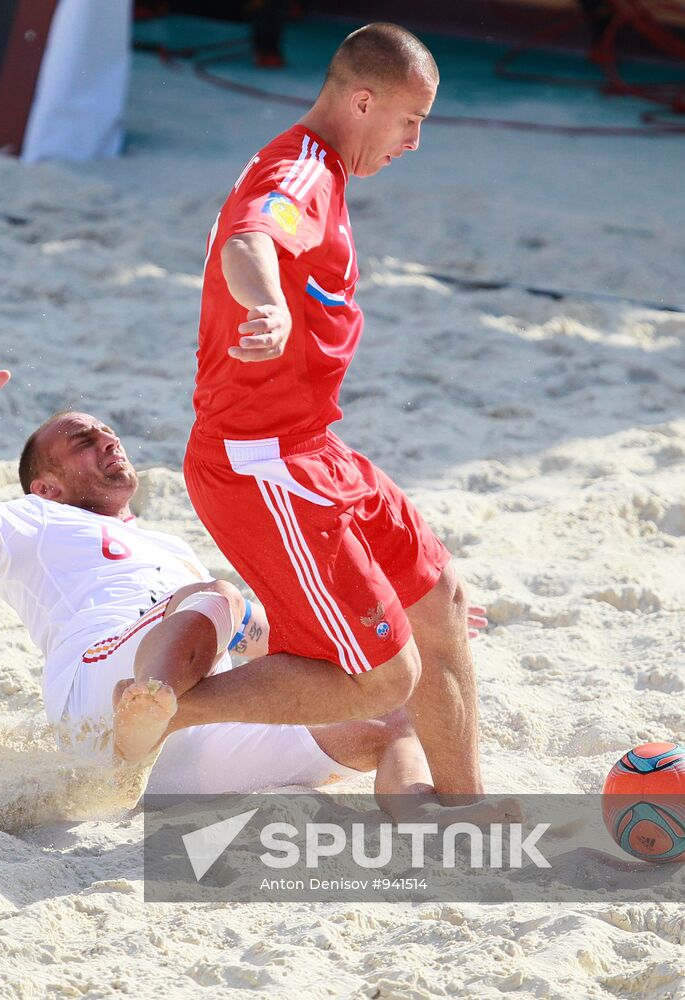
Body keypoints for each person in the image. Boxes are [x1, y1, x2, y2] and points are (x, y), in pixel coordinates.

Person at [0, 359, 510, 821]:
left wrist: (405, 620)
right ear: (46, 487)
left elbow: (263, 639)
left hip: (183, 752)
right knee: (217, 597)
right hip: (100, 695)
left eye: (107, 434)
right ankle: (146, 709)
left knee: (389, 716)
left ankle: (421, 815)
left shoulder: (170, 550)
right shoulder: (38, 522)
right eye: (83, 443)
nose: (107, 442)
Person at [182, 23, 482, 796]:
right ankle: (175, 709)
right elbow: (247, 241)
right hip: (261, 463)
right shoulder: (303, 173)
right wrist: (270, 303)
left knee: (441, 603)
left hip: (314, 447)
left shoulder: (321, 170)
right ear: (362, 99)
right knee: (383, 680)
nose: (416, 141)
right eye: (411, 120)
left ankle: (466, 809)